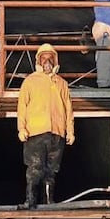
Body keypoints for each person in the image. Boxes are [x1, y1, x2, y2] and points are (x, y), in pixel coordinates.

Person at [17, 43, 75, 208]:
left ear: (55, 60)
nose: (47, 61)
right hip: (36, 131)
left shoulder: (61, 83)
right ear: (39, 61)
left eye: (50, 57)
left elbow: (68, 108)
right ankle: (30, 200)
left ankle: (48, 201)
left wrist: (70, 131)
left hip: (57, 132)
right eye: (44, 57)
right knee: (35, 167)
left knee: (51, 170)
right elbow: (22, 106)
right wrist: (22, 128)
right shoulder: (30, 81)